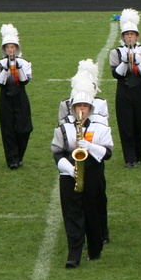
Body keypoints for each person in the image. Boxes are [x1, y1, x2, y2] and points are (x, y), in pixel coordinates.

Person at [52, 72, 113, 268]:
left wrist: (90, 146)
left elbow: (108, 153)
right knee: (71, 215)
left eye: (85, 106)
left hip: (93, 172)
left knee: (92, 212)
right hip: (69, 173)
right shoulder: (63, 128)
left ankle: (95, 249)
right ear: (73, 108)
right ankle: (74, 254)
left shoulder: (101, 127)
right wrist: (71, 170)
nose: (81, 109)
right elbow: (57, 153)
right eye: (78, 106)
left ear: (90, 108)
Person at [109, 8, 141, 167]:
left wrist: (138, 62)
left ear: (137, 36)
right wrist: (125, 61)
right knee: (125, 124)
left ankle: (138, 154)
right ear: (123, 36)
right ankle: (130, 158)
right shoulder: (115, 52)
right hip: (123, 92)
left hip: (139, 91)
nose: (129, 37)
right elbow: (117, 74)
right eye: (127, 34)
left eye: (132, 34)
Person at [0, 24, 32, 170]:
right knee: (8, 129)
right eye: (8, 47)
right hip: (5, 98)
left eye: (13, 47)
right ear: (4, 49)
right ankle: (12, 159)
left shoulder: (25, 63)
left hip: (21, 97)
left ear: (17, 48)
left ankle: (19, 155)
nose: (10, 50)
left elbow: (24, 81)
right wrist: (7, 67)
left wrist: (18, 66)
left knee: (24, 129)